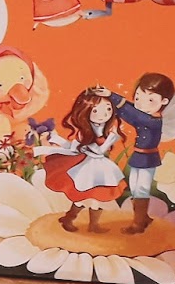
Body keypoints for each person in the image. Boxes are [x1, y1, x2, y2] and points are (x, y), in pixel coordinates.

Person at [95, 73, 174, 233]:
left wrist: (113, 96)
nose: (141, 103)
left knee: (141, 190)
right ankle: (143, 217)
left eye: (150, 100)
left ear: (164, 101)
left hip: (148, 159)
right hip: (138, 157)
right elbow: (130, 111)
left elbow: (134, 115)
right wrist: (111, 98)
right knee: (134, 189)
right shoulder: (143, 115)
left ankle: (138, 224)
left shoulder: (153, 121)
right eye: (138, 97)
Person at [40, 88, 125, 232]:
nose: (103, 115)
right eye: (95, 110)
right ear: (85, 111)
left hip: (100, 166)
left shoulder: (103, 128)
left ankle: (93, 225)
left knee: (96, 197)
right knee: (82, 196)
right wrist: (111, 139)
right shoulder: (85, 132)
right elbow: (98, 150)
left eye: (108, 109)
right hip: (89, 166)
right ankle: (69, 218)